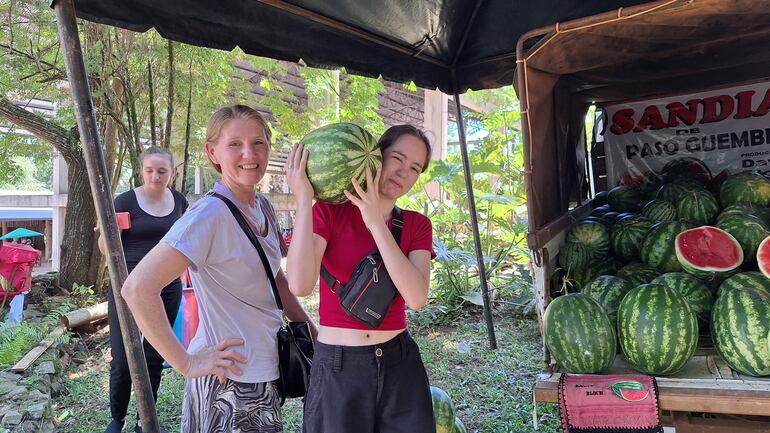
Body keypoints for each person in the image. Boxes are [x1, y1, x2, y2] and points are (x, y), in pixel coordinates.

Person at [121, 104, 315, 433]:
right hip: (229, 381)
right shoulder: (209, 214)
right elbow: (137, 289)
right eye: (235, 144)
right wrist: (186, 362)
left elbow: (277, 279)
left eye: (258, 143)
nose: (249, 154)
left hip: (263, 368)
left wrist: (311, 329)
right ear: (212, 152)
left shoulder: (261, 205)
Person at [285, 124, 436, 433]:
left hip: (399, 363)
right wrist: (303, 200)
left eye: (415, 168)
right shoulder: (329, 213)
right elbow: (299, 284)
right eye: (397, 158)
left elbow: (417, 297)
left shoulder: (417, 225)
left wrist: (376, 224)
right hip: (338, 367)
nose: (403, 172)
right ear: (377, 155)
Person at [96, 146, 188, 433]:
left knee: (154, 355)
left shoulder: (180, 202)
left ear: (172, 173)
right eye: (150, 170)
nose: (155, 176)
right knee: (123, 357)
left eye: (162, 171)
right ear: (141, 170)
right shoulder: (124, 200)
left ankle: (144, 417)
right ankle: (118, 418)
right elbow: (104, 249)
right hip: (128, 288)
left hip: (167, 287)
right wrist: (110, 233)